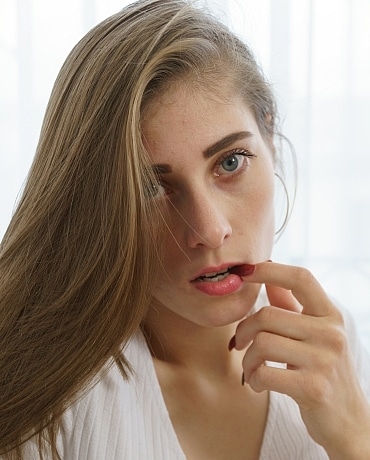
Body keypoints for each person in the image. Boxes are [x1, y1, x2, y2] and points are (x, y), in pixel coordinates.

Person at [1, 0, 370, 458]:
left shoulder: (334, 344)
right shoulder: (48, 400)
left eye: (231, 163)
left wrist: (355, 440)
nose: (210, 231)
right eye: (150, 188)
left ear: (269, 140)